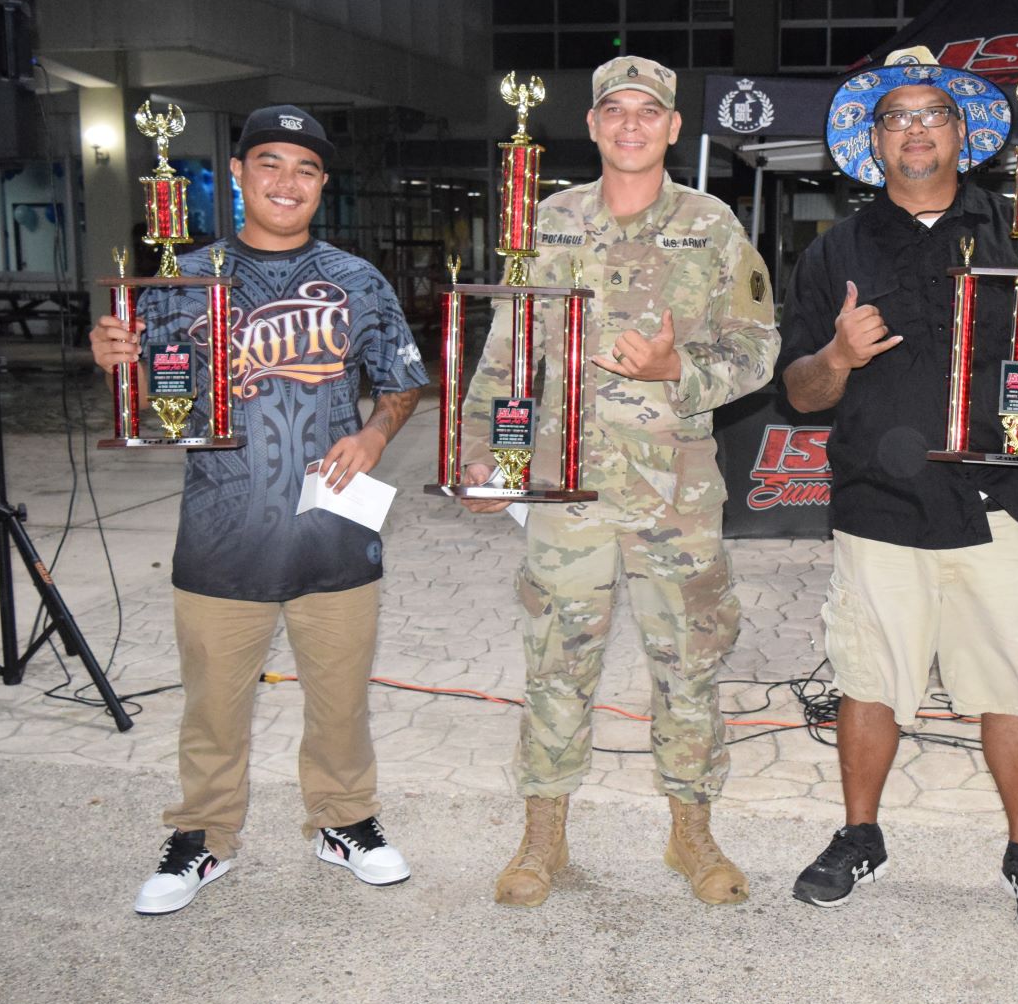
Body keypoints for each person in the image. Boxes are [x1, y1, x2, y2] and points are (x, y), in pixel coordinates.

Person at [779, 50, 1018, 933]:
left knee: (1012, 684)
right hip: (877, 507)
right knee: (867, 680)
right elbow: (798, 391)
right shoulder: (836, 251)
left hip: (996, 501)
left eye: (933, 113)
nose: (916, 129)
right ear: (872, 140)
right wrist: (838, 356)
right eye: (895, 117)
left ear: (962, 133)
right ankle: (859, 835)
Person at [90, 105, 429, 915]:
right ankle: (202, 838)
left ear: (322, 184)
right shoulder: (180, 278)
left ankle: (344, 823)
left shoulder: (358, 281)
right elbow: (152, 402)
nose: (287, 181)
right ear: (237, 175)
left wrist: (378, 433)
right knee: (212, 705)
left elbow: (403, 380)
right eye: (269, 163)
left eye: (306, 168)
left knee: (342, 699)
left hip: (333, 527)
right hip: (221, 526)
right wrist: (115, 363)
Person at [456, 57, 778, 908]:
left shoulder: (711, 227)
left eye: (649, 112)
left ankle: (690, 835)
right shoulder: (549, 221)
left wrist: (680, 369)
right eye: (613, 111)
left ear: (674, 128)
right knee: (556, 663)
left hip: (674, 495)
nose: (630, 124)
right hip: (567, 491)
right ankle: (543, 836)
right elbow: (505, 347)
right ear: (593, 127)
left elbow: (756, 350)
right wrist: (481, 449)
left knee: (690, 668)